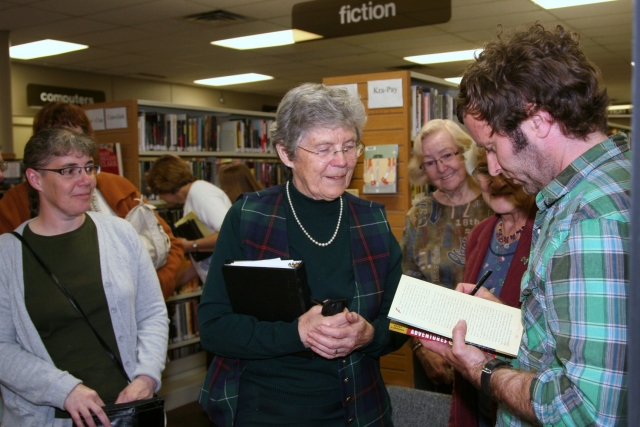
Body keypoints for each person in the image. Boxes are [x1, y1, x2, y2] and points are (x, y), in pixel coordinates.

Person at [422, 23, 630, 427]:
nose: (494, 169)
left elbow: (587, 412)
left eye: (491, 148)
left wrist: (482, 370)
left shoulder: (591, 220)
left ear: (536, 120)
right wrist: (512, 322)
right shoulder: (600, 184)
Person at [197, 83, 406, 427]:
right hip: (267, 412)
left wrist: (370, 335)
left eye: (349, 146)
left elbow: (401, 321)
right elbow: (214, 328)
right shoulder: (249, 217)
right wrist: (297, 332)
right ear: (286, 154)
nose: (341, 161)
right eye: (324, 149)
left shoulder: (373, 221)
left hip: (361, 411)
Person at [0, 128, 168, 427]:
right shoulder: (6, 255)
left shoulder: (121, 234)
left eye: (89, 167)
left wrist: (146, 376)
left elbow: (152, 312)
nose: (85, 180)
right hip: (48, 418)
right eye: (68, 170)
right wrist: (63, 390)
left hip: (128, 411)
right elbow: (2, 346)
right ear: (35, 178)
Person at [0, 102, 184, 300]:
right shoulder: (14, 203)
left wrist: (149, 290)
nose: (71, 146)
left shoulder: (118, 187)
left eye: (78, 137)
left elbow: (170, 244)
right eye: (60, 139)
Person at [401, 119, 493, 391]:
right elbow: (407, 289)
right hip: (434, 355)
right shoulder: (418, 216)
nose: (441, 168)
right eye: (430, 162)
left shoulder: (496, 204)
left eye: (447, 155)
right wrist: (420, 348)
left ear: (465, 152)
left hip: (490, 353)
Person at [448, 149, 536, 427]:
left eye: (504, 170)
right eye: (485, 171)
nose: (496, 181)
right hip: (475, 391)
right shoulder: (479, 233)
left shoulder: (546, 232)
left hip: (523, 394)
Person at [145, 154, 232, 285]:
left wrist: (190, 245)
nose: (161, 198)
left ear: (164, 185)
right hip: (220, 283)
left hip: (228, 283)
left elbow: (229, 234)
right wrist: (168, 285)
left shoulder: (200, 193)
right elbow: (201, 264)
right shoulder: (191, 199)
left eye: (158, 192)